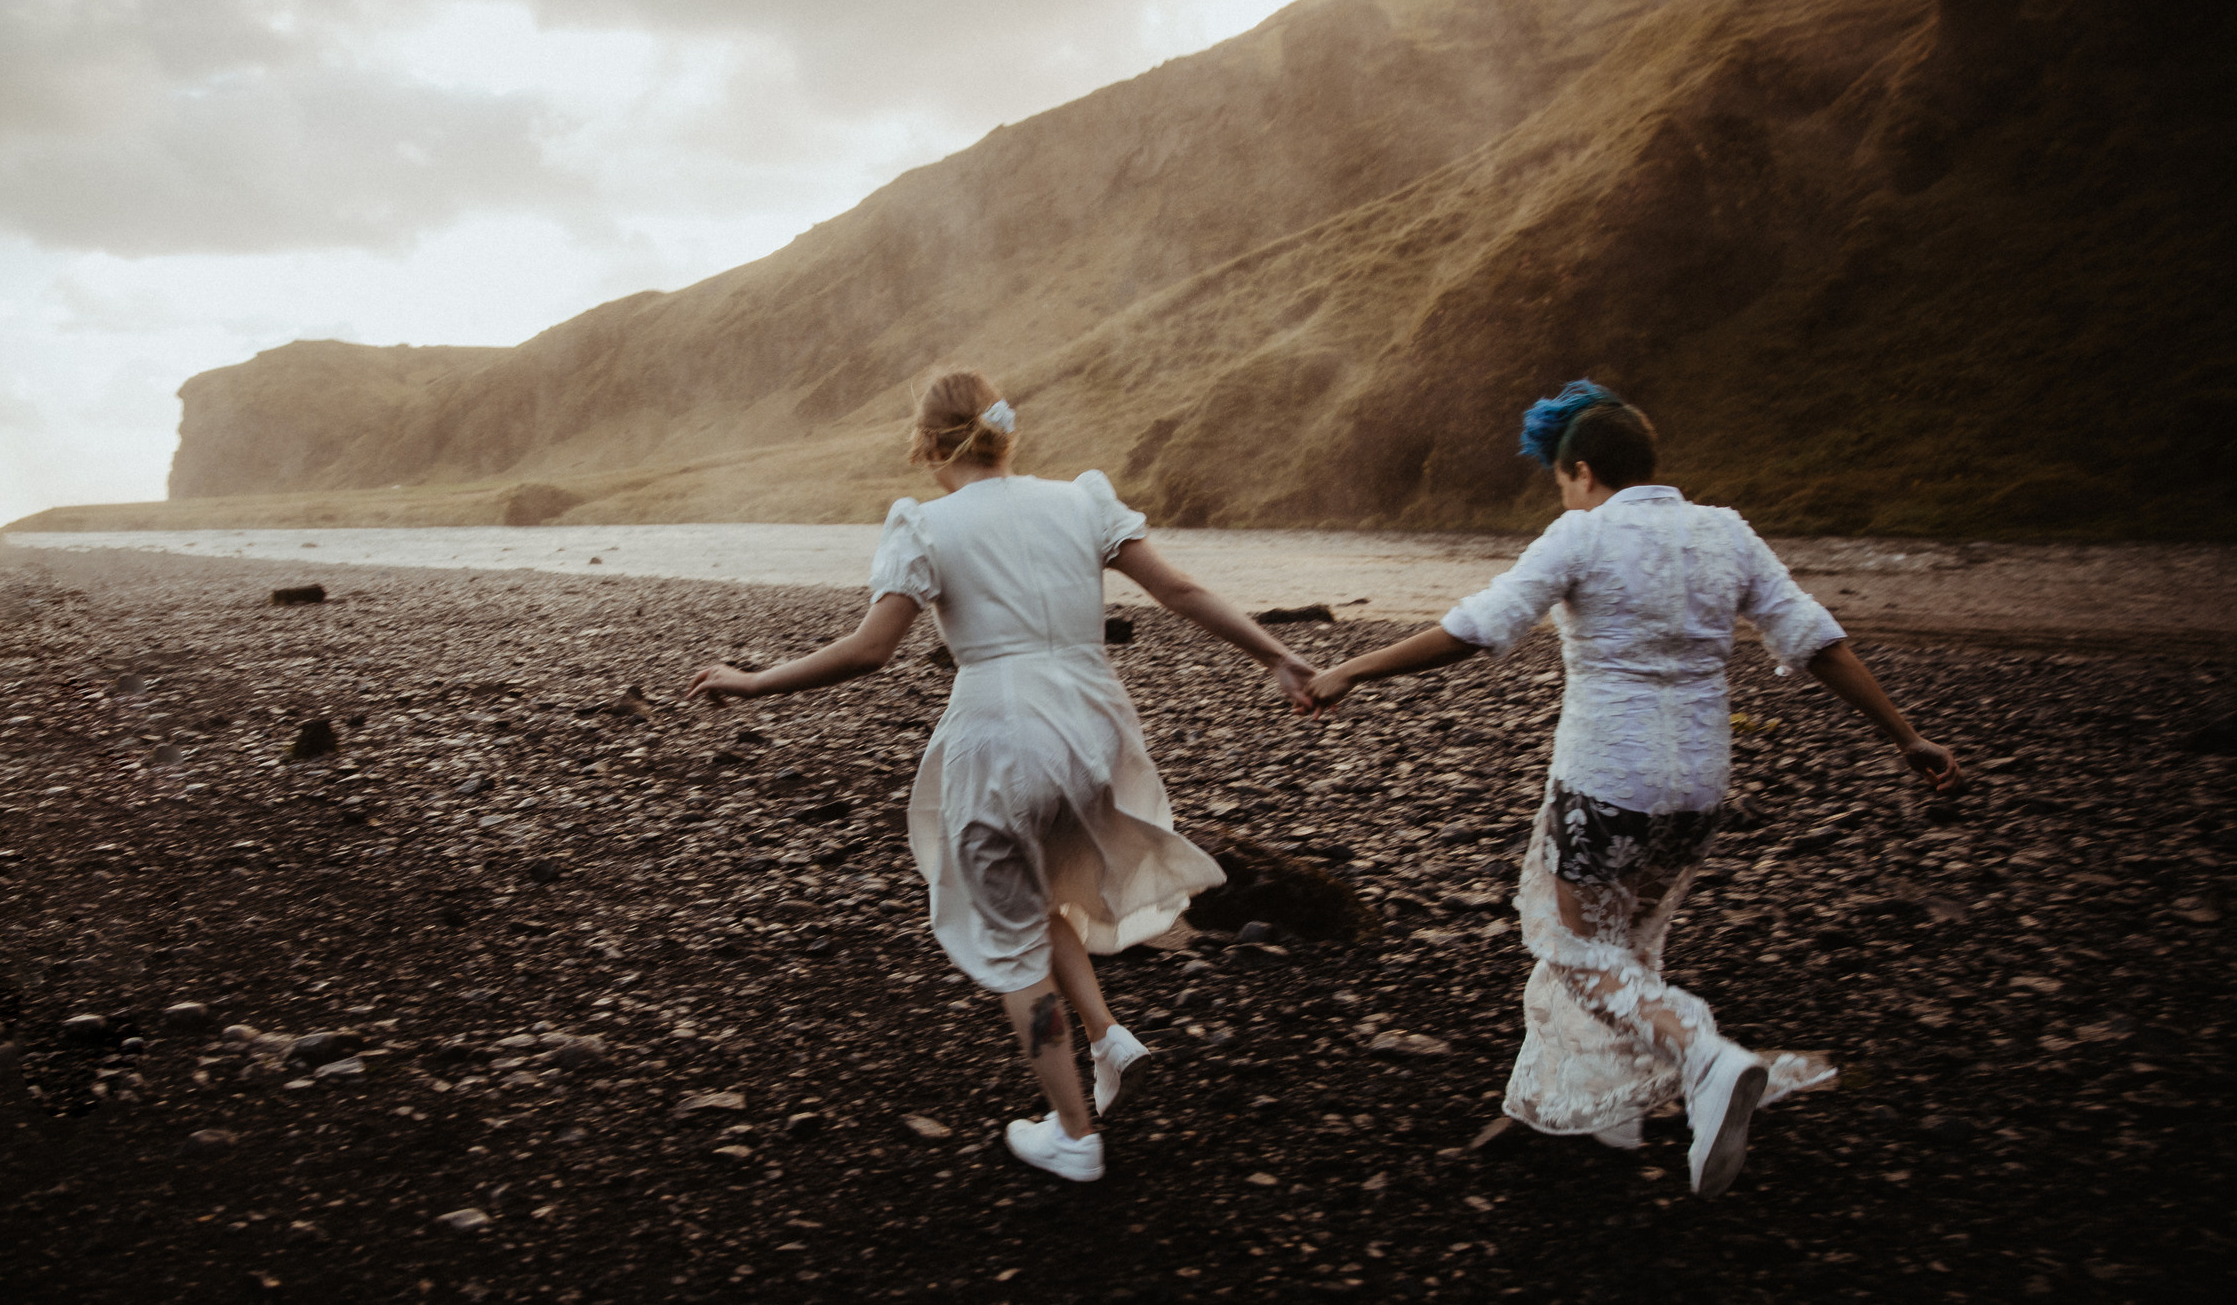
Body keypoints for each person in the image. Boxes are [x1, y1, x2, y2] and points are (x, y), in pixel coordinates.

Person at [1304, 382, 1962, 1198]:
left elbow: (1479, 626)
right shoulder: (1725, 532)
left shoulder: (1584, 532)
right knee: (1629, 949)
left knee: (1577, 950)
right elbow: (1814, 640)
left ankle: (1708, 1057)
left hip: (1609, 783)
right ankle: (1593, 1109)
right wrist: (1906, 735)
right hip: (1699, 789)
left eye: (1562, 479)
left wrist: (1351, 669)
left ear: (1581, 470)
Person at [688, 370, 1317, 1182]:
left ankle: (1074, 1135)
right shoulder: (1081, 500)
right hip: (1093, 729)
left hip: (1002, 736)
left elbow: (871, 649)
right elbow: (1181, 588)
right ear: (1003, 433)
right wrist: (1276, 654)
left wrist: (755, 678)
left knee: (1010, 940)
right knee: (1040, 885)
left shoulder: (923, 523)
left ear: (924, 445)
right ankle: (1107, 1037)